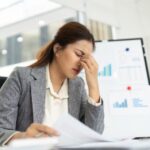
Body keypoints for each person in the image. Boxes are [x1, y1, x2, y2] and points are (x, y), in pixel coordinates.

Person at [0, 22, 104, 145]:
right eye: (78, 54)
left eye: (86, 58)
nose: (82, 64)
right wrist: (24, 137)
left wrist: (93, 86)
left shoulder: (78, 86)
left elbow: (93, 135)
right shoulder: (21, 77)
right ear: (58, 49)